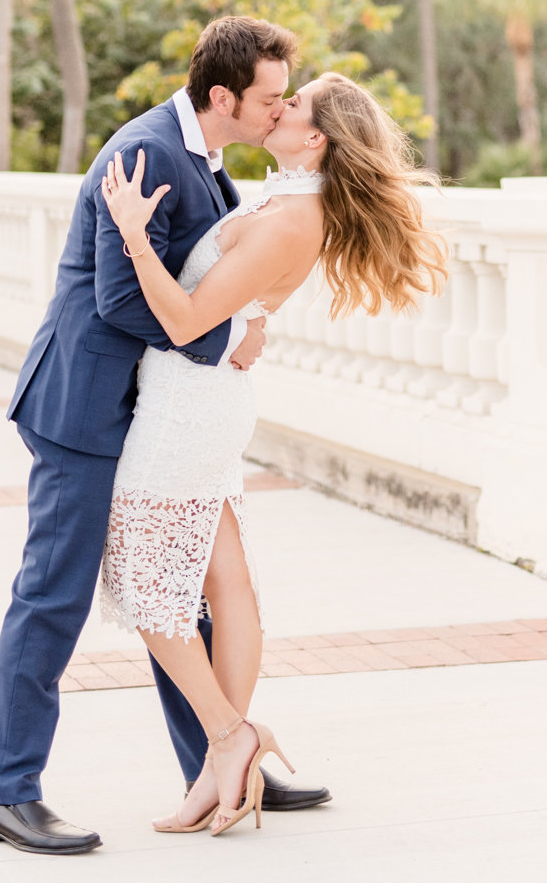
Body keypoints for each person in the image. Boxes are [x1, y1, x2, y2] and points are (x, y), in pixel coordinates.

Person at [0, 15, 331, 856]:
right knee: (52, 597)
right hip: (82, 405)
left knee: (184, 590)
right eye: (269, 99)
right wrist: (229, 331)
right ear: (222, 98)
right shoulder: (146, 152)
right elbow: (117, 300)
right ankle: (6, 792)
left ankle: (220, 761)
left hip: (140, 407)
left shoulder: (210, 160)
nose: (279, 112)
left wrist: (245, 317)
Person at [98, 69, 447, 836]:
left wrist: (131, 232)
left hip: (182, 411)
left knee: (147, 585)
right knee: (226, 583)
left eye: (292, 105)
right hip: (203, 403)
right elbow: (240, 312)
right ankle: (220, 770)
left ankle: (230, 736)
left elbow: (187, 321)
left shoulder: (293, 218)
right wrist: (251, 325)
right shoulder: (284, 199)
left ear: (314, 137)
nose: (278, 110)